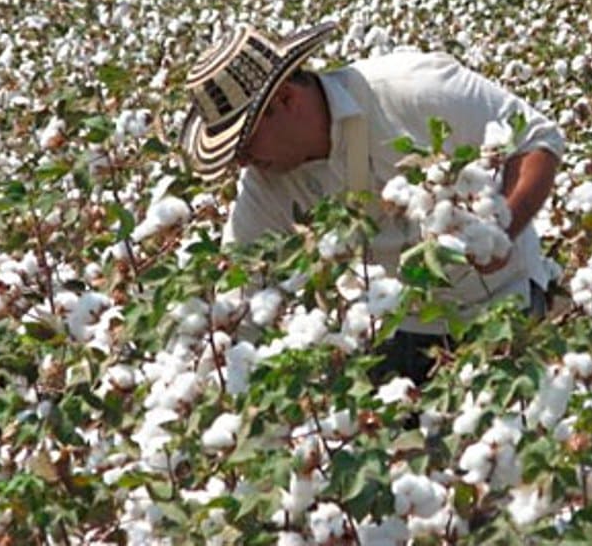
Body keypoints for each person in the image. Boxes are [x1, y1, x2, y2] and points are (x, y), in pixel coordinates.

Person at [180, 21, 564, 382]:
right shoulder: (267, 185)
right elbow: (240, 290)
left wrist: (501, 230)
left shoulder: (413, 89)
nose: (241, 161)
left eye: (243, 143)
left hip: (502, 304)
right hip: (396, 327)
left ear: (285, 99)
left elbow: (536, 140)